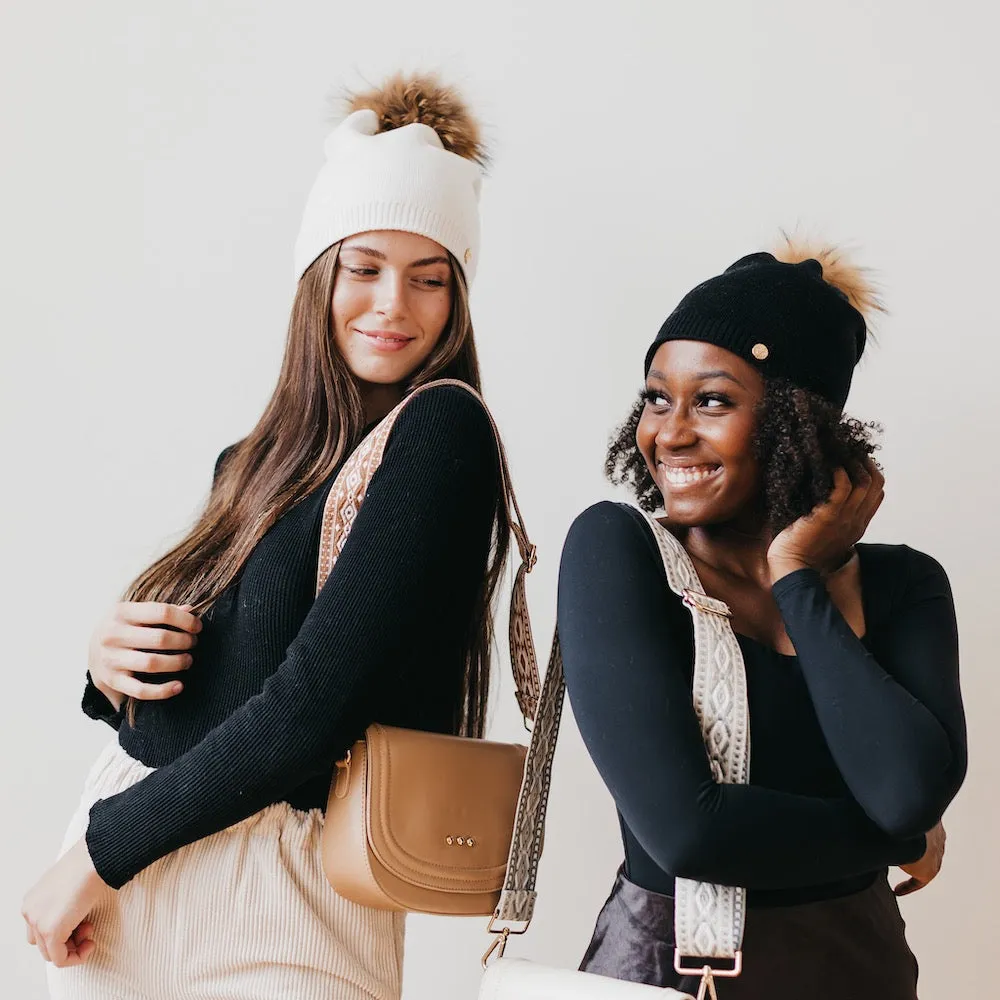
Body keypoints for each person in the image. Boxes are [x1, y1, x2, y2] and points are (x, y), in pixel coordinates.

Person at [23, 72, 509, 1000]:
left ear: (459, 295)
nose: (392, 306)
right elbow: (223, 690)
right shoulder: (251, 462)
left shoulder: (439, 439)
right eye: (362, 267)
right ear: (317, 273)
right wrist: (106, 668)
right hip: (127, 901)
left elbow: (305, 715)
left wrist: (94, 855)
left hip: (270, 902)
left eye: (429, 277)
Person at [557, 240, 966, 997]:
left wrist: (797, 580)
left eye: (712, 400)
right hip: (674, 978)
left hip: (860, 975)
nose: (669, 433)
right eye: (655, 397)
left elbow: (908, 787)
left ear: (794, 422)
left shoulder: (905, 585)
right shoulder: (620, 554)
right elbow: (689, 833)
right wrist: (897, 841)